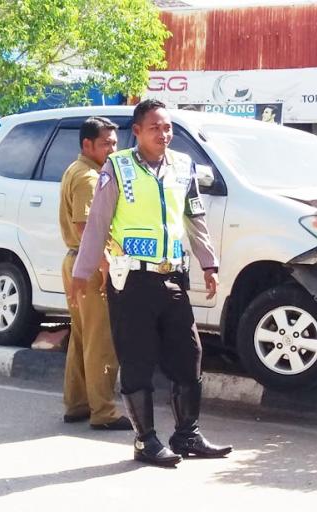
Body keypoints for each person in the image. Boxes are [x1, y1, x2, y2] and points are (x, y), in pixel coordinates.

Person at [71, 99, 231, 467]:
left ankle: (187, 434)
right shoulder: (118, 167)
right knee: (137, 360)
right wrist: (82, 271)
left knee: (189, 355)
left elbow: (194, 217)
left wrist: (209, 264)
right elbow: (97, 223)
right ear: (138, 131)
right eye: (155, 127)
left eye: (168, 127)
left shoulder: (183, 166)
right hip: (132, 280)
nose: (164, 133)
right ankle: (145, 441)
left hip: (172, 276)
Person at [58, 117, 132, 431]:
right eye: (106, 143)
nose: (112, 149)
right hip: (90, 265)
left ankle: (78, 404)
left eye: (115, 143)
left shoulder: (76, 170)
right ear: (87, 144)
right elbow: (85, 227)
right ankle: (103, 412)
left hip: (76, 262)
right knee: (101, 341)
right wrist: (104, 266)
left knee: (82, 337)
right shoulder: (89, 177)